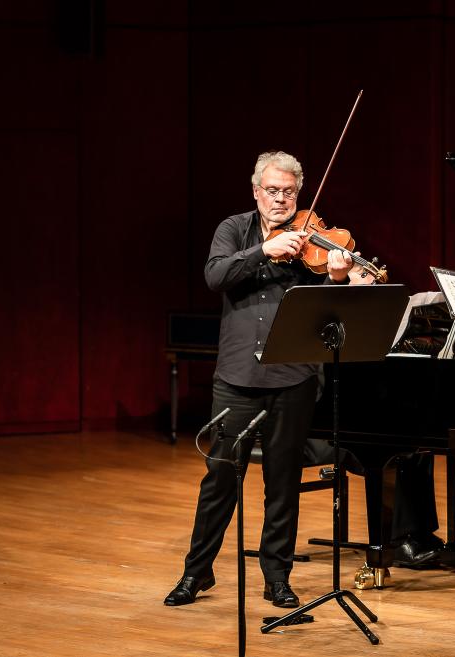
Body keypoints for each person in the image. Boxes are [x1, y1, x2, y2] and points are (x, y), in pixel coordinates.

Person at [164, 150, 364, 608]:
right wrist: (263, 250)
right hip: (237, 376)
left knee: (283, 481)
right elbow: (215, 276)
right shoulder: (234, 230)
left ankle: (278, 577)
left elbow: (327, 312)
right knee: (219, 478)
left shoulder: (314, 240)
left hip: (293, 376)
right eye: (271, 191)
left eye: (288, 192)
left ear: (299, 193)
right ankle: (196, 573)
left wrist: (335, 280)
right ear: (256, 191)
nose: (280, 199)